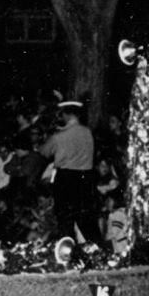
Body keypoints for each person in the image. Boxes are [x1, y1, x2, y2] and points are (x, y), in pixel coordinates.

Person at [42, 97, 100, 243]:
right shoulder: (88, 132)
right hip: (85, 177)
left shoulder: (60, 136)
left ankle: (68, 249)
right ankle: (98, 248)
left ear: (67, 115)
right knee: (85, 216)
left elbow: (44, 152)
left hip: (65, 178)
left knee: (65, 217)